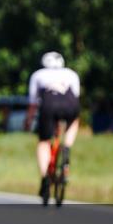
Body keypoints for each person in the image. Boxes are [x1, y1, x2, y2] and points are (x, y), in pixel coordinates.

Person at [24, 52, 81, 199]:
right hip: (70, 104)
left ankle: (45, 177)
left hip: (49, 106)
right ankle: (67, 146)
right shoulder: (71, 74)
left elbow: (33, 103)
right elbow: (76, 96)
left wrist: (28, 120)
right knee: (74, 120)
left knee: (43, 142)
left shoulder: (38, 75)